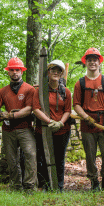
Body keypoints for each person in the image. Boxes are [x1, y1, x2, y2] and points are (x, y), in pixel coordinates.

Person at [0, 57, 37, 192]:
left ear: (22, 71)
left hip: (25, 128)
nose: (15, 72)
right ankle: (16, 186)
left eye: (17, 70)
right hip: (8, 130)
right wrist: (0, 114)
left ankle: (29, 186)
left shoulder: (29, 89)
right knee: (11, 159)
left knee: (30, 155)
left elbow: (29, 109)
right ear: (8, 72)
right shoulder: (3, 91)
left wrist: (11, 115)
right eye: (12, 70)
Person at [73, 48, 104, 191]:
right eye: (89, 60)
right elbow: (76, 105)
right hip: (87, 124)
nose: (92, 62)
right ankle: (94, 182)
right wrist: (85, 117)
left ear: (99, 62)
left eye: (95, 60)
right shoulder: (80, 83)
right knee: (90, 155)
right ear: (85, 62)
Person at [33, 60, 71, 192]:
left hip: (62, 131)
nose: (55, 73)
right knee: (42, 158)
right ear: (48, 72)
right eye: (53, 70)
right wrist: (49, 122)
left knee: (59, 159)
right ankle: (44, 185)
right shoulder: (40, 91)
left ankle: (58, 186)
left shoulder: (66, 91)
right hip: (43, 130)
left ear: (62, 73)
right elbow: (36, 109)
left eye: (58, 71)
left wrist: (60, 123)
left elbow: (67, 110)